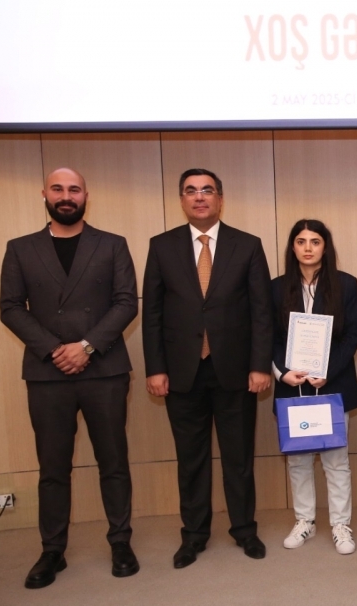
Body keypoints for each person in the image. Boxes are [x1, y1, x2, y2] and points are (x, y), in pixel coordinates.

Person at [0, 167, 139, 588]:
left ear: (86, 196)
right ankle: (52, 551)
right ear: (44, 194)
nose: (66, 196)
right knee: (53, 467)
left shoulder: (112, 244)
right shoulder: (20, 248)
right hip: (47, 372)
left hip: (104, 370)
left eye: (74, 189)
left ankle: (120, 541)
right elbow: (10, 307)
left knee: (113, 462)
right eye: (58, 189)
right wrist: (54, 349)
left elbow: (126, 302)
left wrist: (87, 347)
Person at [142, 168, 273, 568]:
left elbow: (261, 312)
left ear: (220, 198)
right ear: (182, 200)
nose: (199, 197)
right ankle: (194, 535)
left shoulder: (247, 245)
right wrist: (155, 368)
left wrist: (260, 365)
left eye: (207, 190)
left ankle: (244, 530)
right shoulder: (161, 246)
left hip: (235, 370)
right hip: (182, 371)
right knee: (191, 460)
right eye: (191, 191)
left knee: (238, 458)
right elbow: (152, 314)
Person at [273, 219, 357, 555]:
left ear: (325, 247)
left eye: (315, 241)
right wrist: (283, 373)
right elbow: (268, 336)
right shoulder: (276, 287)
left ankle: (340, 524)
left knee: (336, 461)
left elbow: (353, 333)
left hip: (331, 385)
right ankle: (305, 521)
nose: (308, 248)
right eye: (301, 241)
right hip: (292, 387)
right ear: (292, 247)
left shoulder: (346, 284)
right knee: (298, 462)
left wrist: (328, 370)